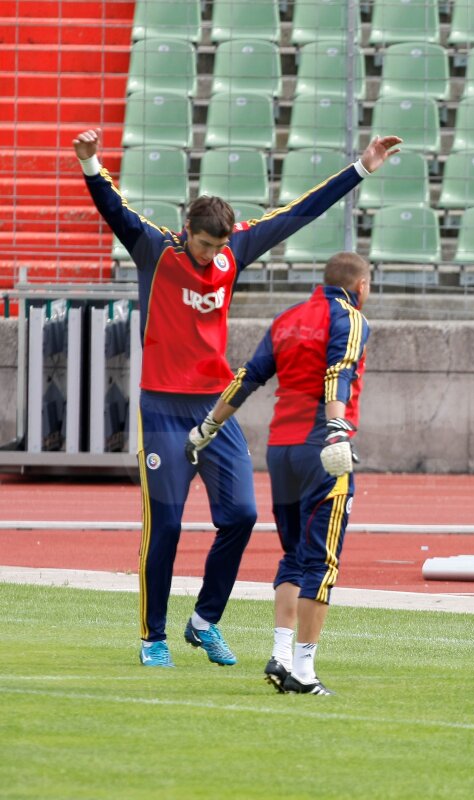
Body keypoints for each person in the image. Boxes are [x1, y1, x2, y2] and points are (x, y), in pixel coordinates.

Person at [73, 128, 402, 668]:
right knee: (168, 523)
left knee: (243, 516)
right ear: (187, 233)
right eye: (206, 246)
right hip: (161, 407)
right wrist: (90, 164)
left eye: (221, 247)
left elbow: (298, 213)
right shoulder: (153, 249)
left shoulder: (232, 254)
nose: (213, 257)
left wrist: (361, 168)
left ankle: (204, 622)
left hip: (213, 408)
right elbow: (115, 207)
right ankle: (152, 637)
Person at [186, 251, 370, 695]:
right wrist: (335, 428)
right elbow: (338, 372)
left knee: (293, 555)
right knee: (321, 562)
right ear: (361, 287)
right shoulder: (350, 316)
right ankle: (305, 671)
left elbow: (248, 377)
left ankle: (282, 654)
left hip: (280, 450)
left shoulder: (287, 318)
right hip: (319, 447)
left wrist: (208, 426)